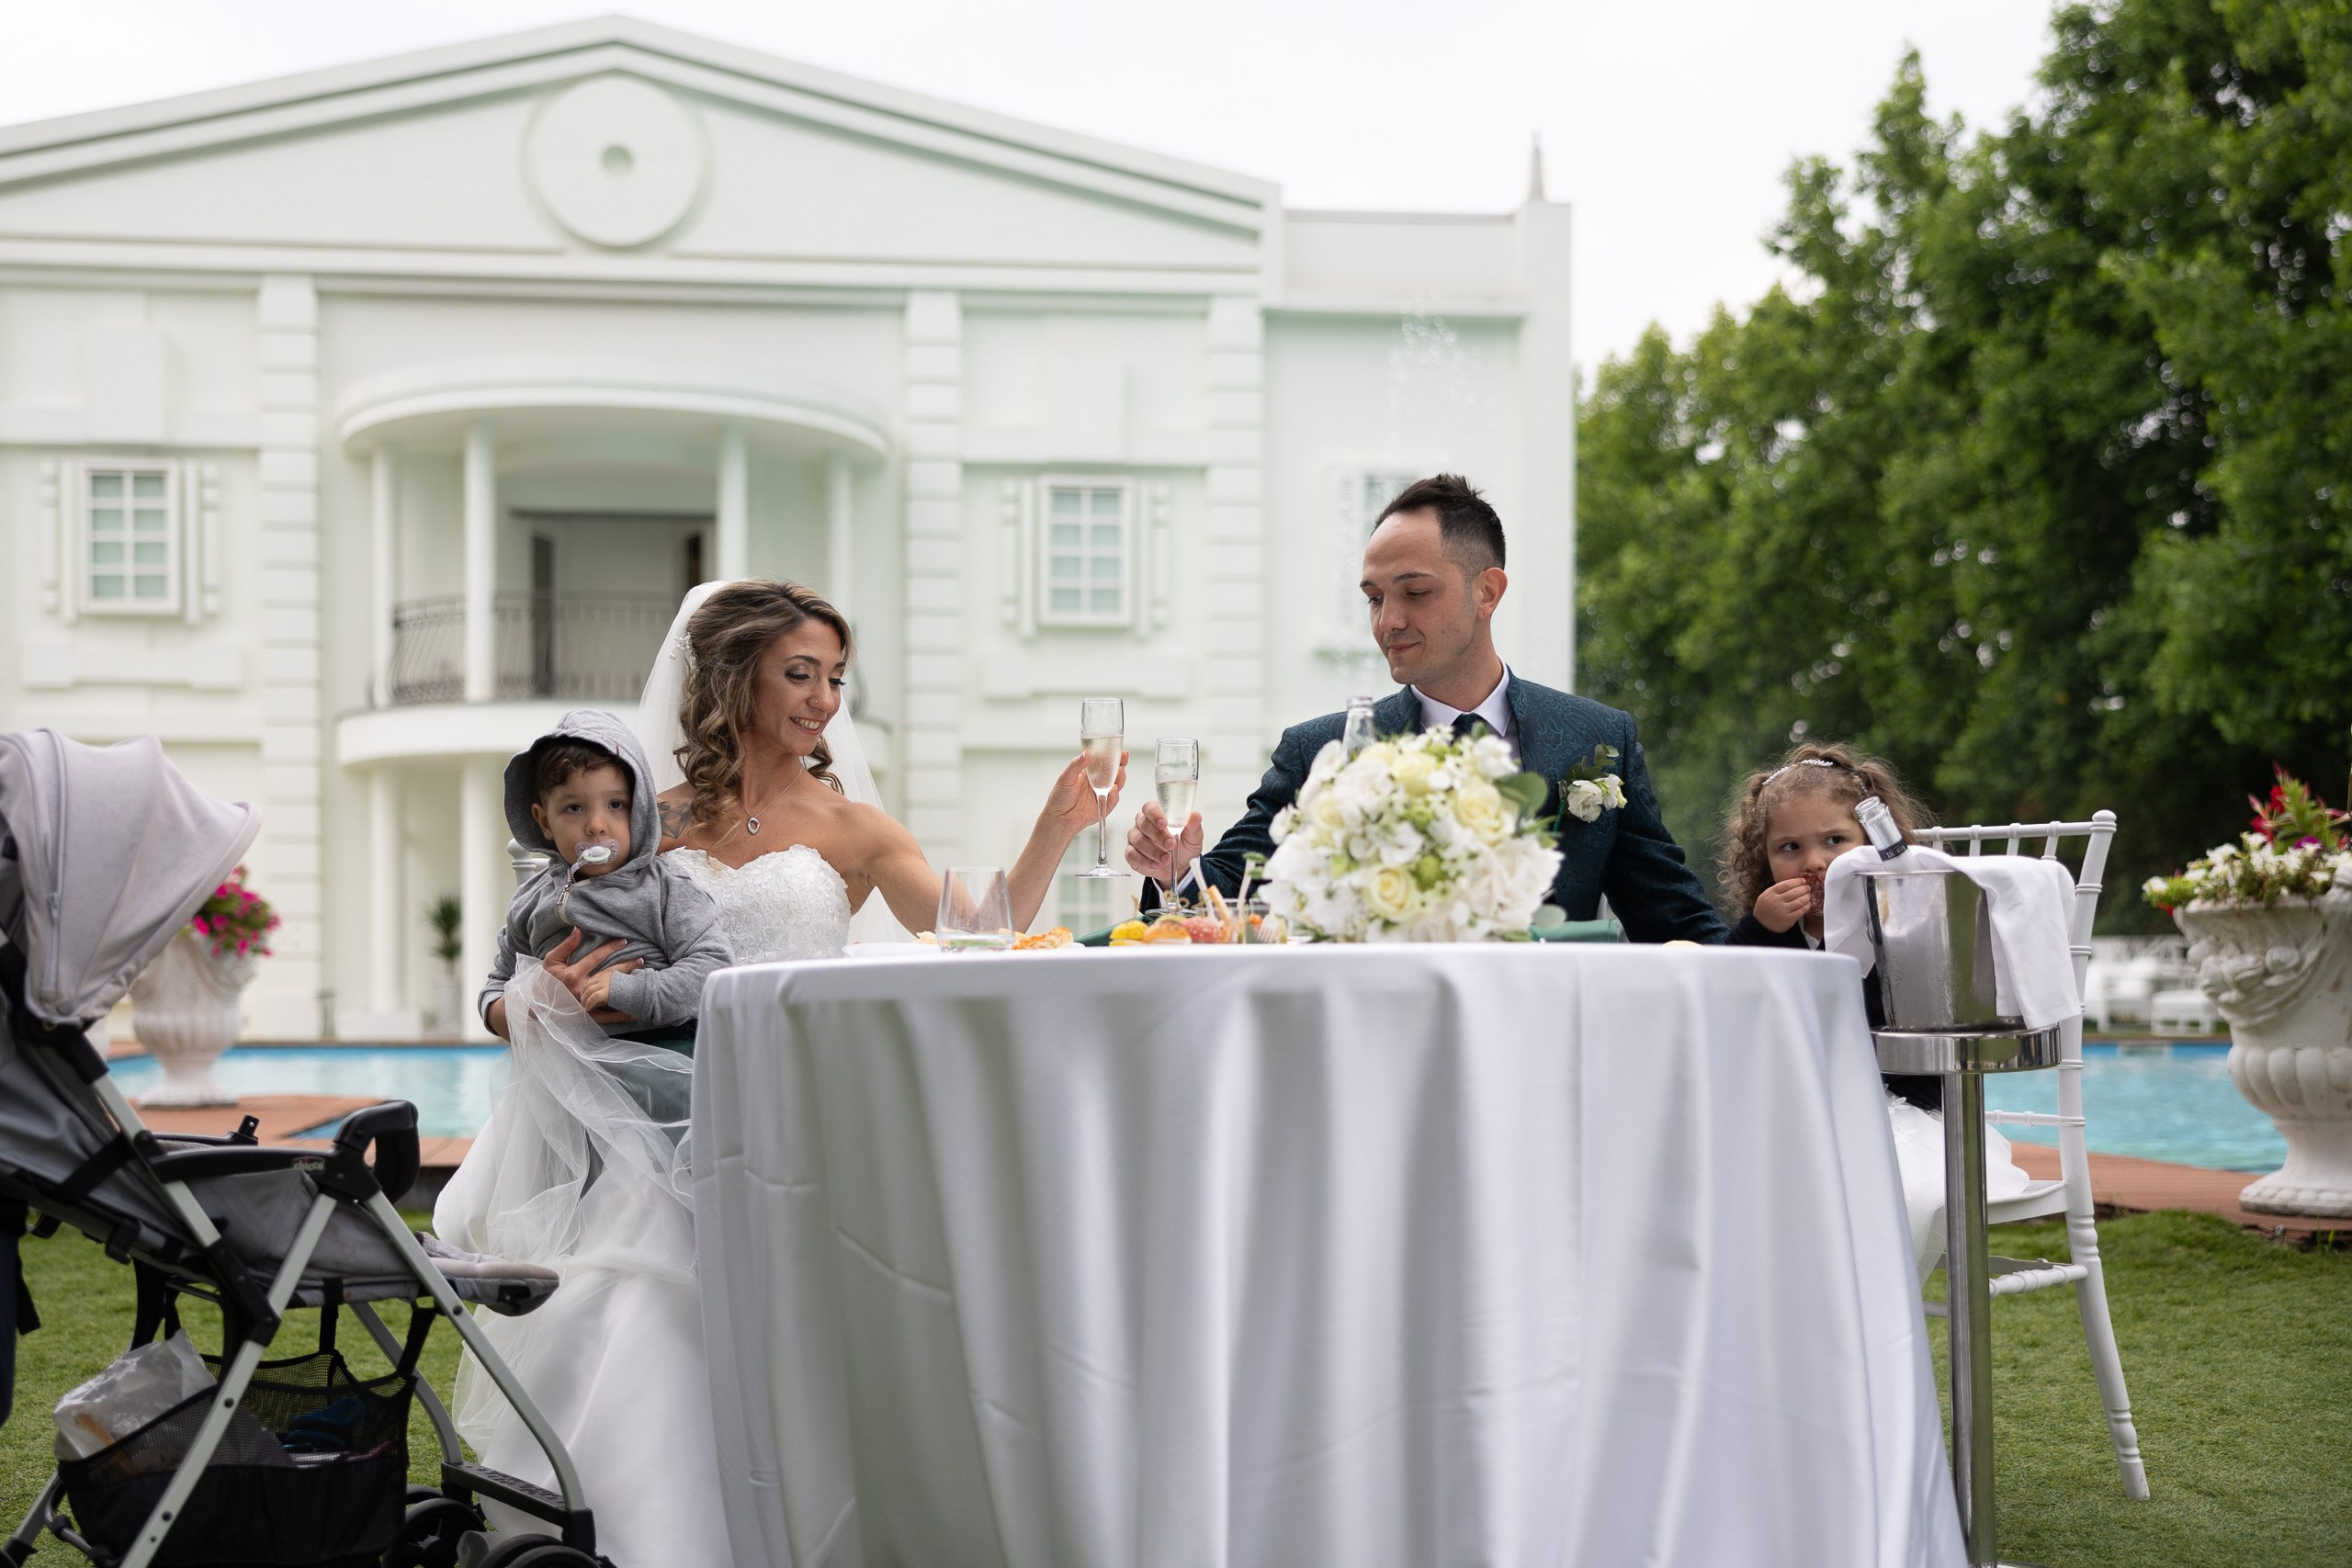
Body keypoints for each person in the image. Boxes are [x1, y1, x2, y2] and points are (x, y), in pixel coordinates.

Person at [1126, 473, 1724, 943]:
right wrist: (1176, 868)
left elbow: (1676, 922)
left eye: (1415, 592)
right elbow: (1224, 896)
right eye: (1374, 598)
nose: (1388, 621)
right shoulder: (1320, 752)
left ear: (1487, 591)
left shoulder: (1597, 739)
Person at [435, 712, 735, 1566]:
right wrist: (527, 1005)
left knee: (637, 1255)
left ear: (638, 810)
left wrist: (620, 996)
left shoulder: (668, 889)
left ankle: (647, 1469)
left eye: (613, 804)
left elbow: (711, 972)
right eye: (573, 809)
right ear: (542, 821)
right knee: (560, 1259)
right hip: (560, 1114)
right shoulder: (534, 900)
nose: (596, 824)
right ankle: (547, 1450)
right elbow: (493, 990)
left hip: (651, 1097)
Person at [645, 580, 1121, 951]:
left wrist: (1055, 827)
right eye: (800, 675)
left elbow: (982, 938)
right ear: (734, 678)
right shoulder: (653, 821)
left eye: (835, 680)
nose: (825, 701)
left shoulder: (859, 830)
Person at [1717, 740, 2029, 1276]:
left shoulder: (1904, 926)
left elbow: (1924, 1037)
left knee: (1856, 1182)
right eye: (1788, 847)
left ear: (1871, 841)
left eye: (1834, 841)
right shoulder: (1771, 933)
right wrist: (1757, 932)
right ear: (1762, 860)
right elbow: (1726, 1001)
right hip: (1797, 1116)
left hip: (1906, 1112)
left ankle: (1858, 1315)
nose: (1813, 862)